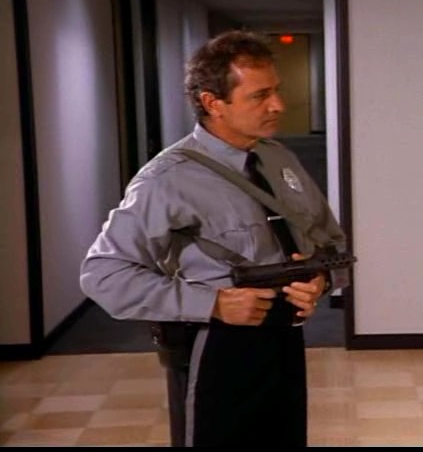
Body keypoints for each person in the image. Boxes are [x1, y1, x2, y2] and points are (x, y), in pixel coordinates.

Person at [79, 30, 348, 447]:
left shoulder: (278, 157)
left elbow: (331, 241)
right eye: (260, 96)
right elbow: (103, 275)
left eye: (276, 90)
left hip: (285, 339)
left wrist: (320, 281)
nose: (278, 105)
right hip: (216, 347)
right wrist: (214, 303)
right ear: (212, 103)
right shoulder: (166, 180)